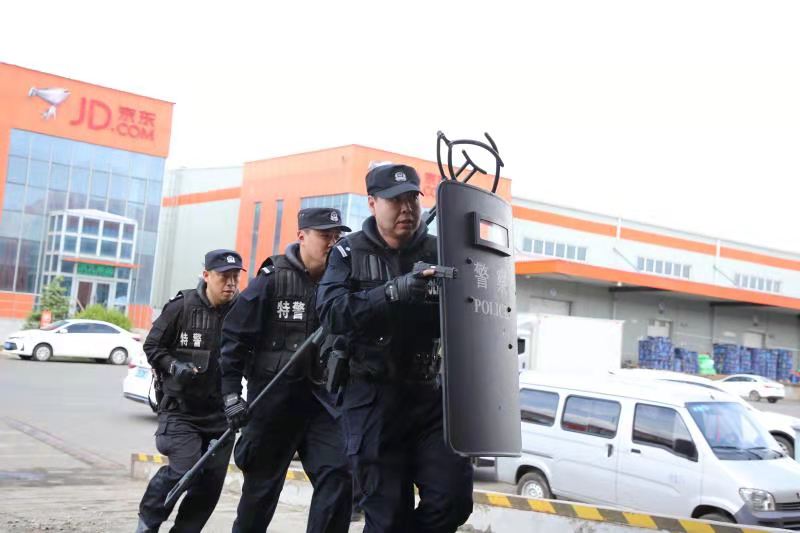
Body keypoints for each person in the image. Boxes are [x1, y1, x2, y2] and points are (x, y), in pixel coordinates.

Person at [316, 163, 474, 533]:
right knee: (387, 518)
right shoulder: (348, 252)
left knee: (452, 501)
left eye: (412, 199)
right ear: (372, 203)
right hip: (372, 397)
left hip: (429, 397)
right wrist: (390, 293)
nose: (406, 209)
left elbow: (471, 312)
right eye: (395, 201)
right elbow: (331, 313)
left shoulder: (440, 251)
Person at [220, 207, 353, 533]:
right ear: (302, 236)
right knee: (260, 493)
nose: (332, 243)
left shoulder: (342, 283)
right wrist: (231, 396)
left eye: (337, 237)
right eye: (325, 236)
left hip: (322, 405)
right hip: (273, 404)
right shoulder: (272, 280)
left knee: (339, 473)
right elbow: (234, 340)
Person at [136, 249, 245, 533]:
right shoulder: (182, 307)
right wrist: (174, 366)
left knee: (210, 486)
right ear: (206, 275)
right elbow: (152, 346)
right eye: (224, 276)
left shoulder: (242, 311)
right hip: (180, 412)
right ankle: (147, 522)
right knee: (185, 470)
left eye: (235, 277)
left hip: (220, 414)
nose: (231, 283)